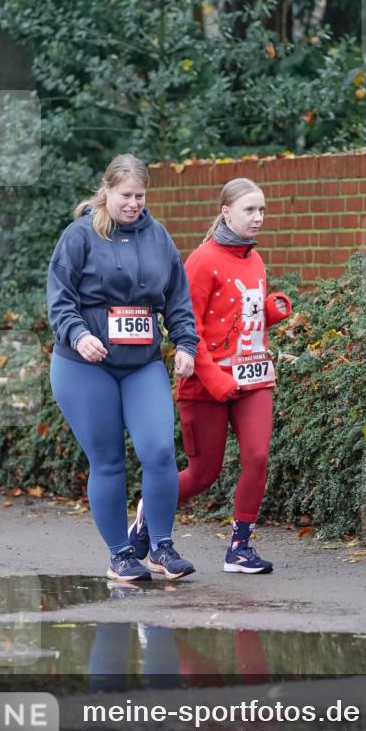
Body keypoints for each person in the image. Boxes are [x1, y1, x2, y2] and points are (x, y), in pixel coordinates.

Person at [47, 154, 199, 582]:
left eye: (140, 195)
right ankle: (120, 554)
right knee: (109, 460)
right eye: (125, 195)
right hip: (83, 365)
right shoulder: (79, 236)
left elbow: (177, 298)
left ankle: (161, 546)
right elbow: (59, 298)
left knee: (159, 451)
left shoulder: (158, 237)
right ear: (107, 191)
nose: (133, 203)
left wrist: (186, 343)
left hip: (141, 363)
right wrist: (79, 333)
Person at [130, 178, 292, 573]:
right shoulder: (201, 260)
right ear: (226, 212)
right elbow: (188, 328)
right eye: (250, 210)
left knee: (257, 456)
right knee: (204, 473)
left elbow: (240, 324)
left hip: (254, 378)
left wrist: (269, 312)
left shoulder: (255, 260)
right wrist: (218, 382)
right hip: (206, 385)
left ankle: (240, 547)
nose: (258, 218)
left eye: (262, 210)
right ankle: (150, 513)